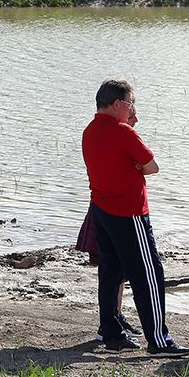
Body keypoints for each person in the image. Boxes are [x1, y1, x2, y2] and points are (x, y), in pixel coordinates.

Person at [81, 79, 189, 357]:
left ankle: (112, 333)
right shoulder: (123, 132)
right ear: (117, 104)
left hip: (102, 210)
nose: (133, 110)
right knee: (150, 275)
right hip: (128, 213)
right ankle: (159, 340)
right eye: (131, 104)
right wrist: (133, 158)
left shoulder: (90, 130)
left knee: (110, 273)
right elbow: (152, 167)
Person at [76, 104, 140, 340]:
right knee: (111, 267)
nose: (135, 120)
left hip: (107, 208)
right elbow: (147, 167)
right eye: (132, 115)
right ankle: (110, 321)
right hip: (109, 210)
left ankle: (116, 316)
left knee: (117, 270)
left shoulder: (120, 135)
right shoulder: (118, 134)